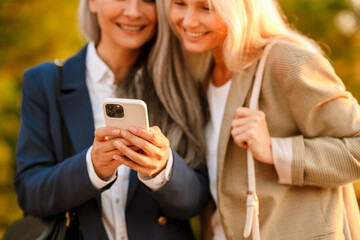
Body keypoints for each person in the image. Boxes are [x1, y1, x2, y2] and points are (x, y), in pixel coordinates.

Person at [154, 0, 360, 239]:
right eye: (180, 3)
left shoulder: (286, 61)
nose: (188, 20)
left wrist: (275, 150)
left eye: (206, 8)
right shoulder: (202, 73)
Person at [13, 0, 210, 239]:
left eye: (148, 0)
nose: (133, 12)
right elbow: (30, 193)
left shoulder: (180, 83)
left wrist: (163, 168)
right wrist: (92, 168)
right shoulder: (44, 84)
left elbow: (196, 202)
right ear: (93, 3)